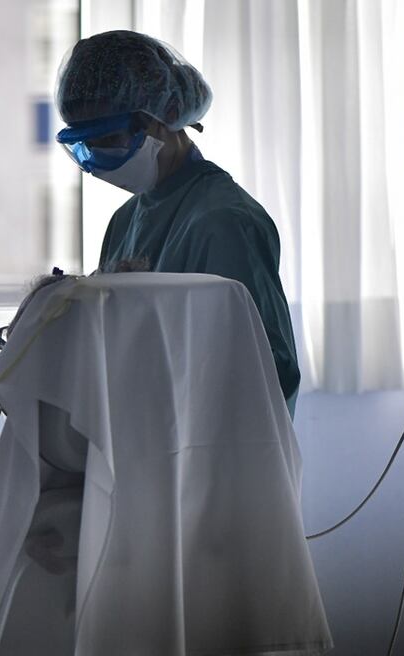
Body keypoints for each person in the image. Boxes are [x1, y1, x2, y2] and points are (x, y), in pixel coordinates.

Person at [55, 30, 301, 416]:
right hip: (143, 440)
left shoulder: (225, 222)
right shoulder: (126, 220)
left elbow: (265, 374)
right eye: (85, 146)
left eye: (109, 139)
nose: (98, 158)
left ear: (164, 117)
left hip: (201, 455)